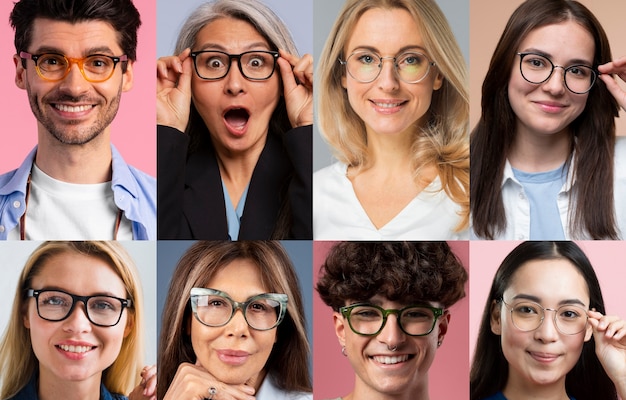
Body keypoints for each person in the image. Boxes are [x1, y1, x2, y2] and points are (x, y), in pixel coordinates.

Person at [0, 0, 156, 240]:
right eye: (51, 61)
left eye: (98, 63)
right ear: (21, 72)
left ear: (127, 75)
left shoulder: (165, 206)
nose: (74, 87)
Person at [313, 0, 469, 240]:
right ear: (342, 73)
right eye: (367, 59)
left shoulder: (471, 191)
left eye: (410, 60)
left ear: (438, 74)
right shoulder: (316, 193)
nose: (388, 83)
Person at [157, 0, 313, 240]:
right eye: (215, 63)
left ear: (283, 80)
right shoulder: (163, 176)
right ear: (187, 81)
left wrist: (308, 126)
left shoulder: (312, 176)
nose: (235, 85)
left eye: (256, 62)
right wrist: (166, 126)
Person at [470, 0, 626, 240]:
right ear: (505, 67)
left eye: (577, 70)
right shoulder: (450, 175)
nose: (555, 87)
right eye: (536, 62)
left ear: (595, 83)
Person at [470, 241, 626, 400]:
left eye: (569, 314)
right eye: (527, 310)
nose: (547, 334)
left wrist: (624, 377)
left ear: (588, 327)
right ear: (496, 318)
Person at [0, 241, 156, 400]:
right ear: (25, 312)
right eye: (54, 300)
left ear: (129, 323)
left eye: (103, 304)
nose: (78, 325)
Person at [157, 241, 312, 400]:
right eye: (216, 303)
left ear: (279, 328)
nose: (238, 328)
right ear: (187, 320)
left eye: (259, 306)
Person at [315, 241, 469, 400]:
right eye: (367, 313)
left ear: (441, 329)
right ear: (341, 329)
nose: (392, 338)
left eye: (415, 313)